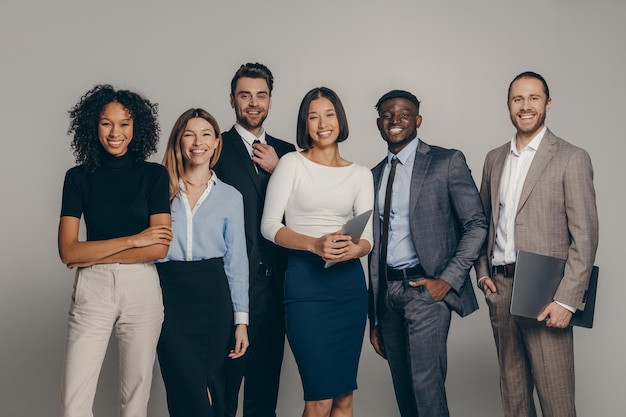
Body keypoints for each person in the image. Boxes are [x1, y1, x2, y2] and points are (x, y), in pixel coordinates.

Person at [474, 71, 599, 417]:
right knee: (513, 401)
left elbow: (585, 236)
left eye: (533, 98)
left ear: (547, 104)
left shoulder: (571, 157)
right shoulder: (494, 158)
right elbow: (482, 221)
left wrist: (567, 300)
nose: (525, 106)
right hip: (500, 290)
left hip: (547, 295)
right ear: (509, 106)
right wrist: (483, 272)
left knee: (557, 403)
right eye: (518, 99)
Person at [368, 90, 487, 417]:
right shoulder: (373, 176)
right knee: (405, 396)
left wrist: (446, 281)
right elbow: (372, 250)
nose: (395, 121)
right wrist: (374, 317)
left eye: (404, 114)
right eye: (388, 115)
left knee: (426, 393)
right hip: (388, 297)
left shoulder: (445, 162)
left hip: (426, 292)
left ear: (418, 120)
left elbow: (476, 224)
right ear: (378, 123)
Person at [58, 84, 172, 417]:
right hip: (92, 288)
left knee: (136, 400)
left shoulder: (154, 175)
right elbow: (67, 251)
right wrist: (134, 240)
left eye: (124, 123)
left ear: (137, 128)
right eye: (107, 123)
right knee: (74, 402)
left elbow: (160, 246)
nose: (115, 132)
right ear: (93, 125)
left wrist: (91, 251)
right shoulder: (78, 178)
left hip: (141, 287)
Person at [261, 86, 373, 417]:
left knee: (343, 398)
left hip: (349, 290)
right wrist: (314, 244)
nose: (322, 123)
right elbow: (269, 226)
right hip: (306, 287)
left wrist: (352, 251)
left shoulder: (360, 174)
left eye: (329, 114)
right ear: (304, 124)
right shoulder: (291, 164)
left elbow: (367, 239)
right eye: (313, 116)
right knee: (320, 398)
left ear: (340, 119)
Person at [157, 108, 250, 417]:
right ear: (178, 141)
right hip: (168, 296)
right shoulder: (159, 191)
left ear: (215, 142)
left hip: (214, 296)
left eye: (206, 134)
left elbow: (236, 261)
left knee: (215, 391)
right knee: (187, 391)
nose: (198, 142)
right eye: (189, 134)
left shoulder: (230, 197)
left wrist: (241, 320)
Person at [214, 62, 295, 417]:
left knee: (264, 390)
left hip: (276, 286)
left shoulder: (288, 151)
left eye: (260, 95)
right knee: (224, 386)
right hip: (228, 285)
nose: (253, 103)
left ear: (270, 101)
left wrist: (281, 170)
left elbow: (305, 213)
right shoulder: (214, 146)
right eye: (245, 95)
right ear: (232, 100)